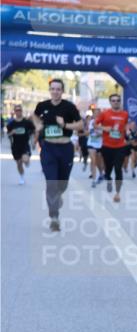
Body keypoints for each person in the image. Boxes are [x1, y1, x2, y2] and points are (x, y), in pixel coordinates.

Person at [33, 78, 84, 231]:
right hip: (48, 148)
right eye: (53, 89)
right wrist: (38, 125)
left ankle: (58, 196)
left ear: (62, 91)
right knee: (51, 182)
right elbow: (35, 116)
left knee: (62, 183)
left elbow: (80, 125)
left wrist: (65, 125)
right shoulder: (43, 106)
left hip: (65, 148)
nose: (55, 91)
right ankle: (54, 216)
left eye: (58, 89)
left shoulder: (69, 107)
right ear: (50, 90)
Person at [95, 93, 130, 203]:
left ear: (120, 102)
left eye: (118, 100)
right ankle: (108, 179)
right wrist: (105, 128)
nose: (116, 102)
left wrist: (127, 131)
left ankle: (117, 193)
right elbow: (95, 125)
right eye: (113, 100)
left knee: (118, 169)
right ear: (110, 102)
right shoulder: (104, 114)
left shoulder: (125, 114)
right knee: (108, 169)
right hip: (107, 146)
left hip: (120, 146)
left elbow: (125, 126)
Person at [6, 104, 35, 184]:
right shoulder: (11, 124)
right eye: (17, 110)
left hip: (25, 144)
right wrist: (12, 132)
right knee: (19, 163)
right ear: (14, 112)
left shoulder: (27, 122)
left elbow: (33, 131)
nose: (18, 112)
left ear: (22, 111)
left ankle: (27, 161)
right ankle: (22, 177)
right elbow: (8, 134)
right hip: (15, 146)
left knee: (25, 159)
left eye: (20, 110)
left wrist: (33, 142)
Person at [86, 112, 104, 186]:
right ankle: (94, 180)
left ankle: (101, 173)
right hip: (91, 143)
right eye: (95, 114)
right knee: (93, 161)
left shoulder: (103, 122)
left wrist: (99, 133)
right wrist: (92, 131)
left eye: (98, 114)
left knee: (98, 162)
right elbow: (88, 132)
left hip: (99, 145)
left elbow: (106, 132)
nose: (96, 116)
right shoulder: (91, 122)